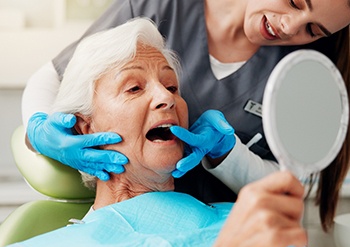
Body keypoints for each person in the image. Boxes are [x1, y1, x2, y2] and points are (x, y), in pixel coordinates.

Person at [2, 18, 322, 247]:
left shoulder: (244, 220)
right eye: (133, 88)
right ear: (86, 126)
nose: (166, 97)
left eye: (171, 85)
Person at [22, 0, 350, 231]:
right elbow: (52, 77)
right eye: (294, 2)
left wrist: (230, 155)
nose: (290, 26)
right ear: (85, 123)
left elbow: (296, 182)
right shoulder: (162, 6)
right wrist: (39, 129)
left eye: (312, 28)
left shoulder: (307, 70)